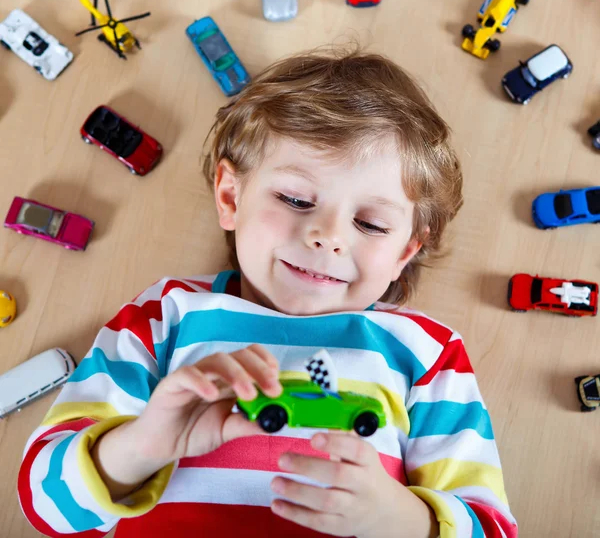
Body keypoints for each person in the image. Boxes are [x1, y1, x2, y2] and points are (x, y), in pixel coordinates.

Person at [18, 48, 517, 538]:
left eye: (370, 223)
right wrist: (140, 447)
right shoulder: (167, 314)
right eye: (296, 199)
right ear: (231, 196)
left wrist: (404, 522)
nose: (329, 235)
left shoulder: (427, 352)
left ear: (405, 253)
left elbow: (492, 527)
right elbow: (46, 505)